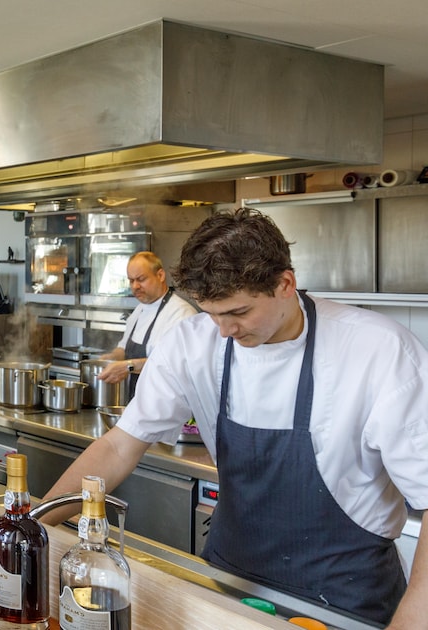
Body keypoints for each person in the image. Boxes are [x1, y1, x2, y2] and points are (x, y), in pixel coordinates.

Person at [43, 208, 427, 626]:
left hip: (344, 598)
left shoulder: (379, 350)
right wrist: (34, 526)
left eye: (239, 313)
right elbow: (119, 446)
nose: (225, 330)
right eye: (212, 313)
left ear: (285, 284)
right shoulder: (192, 344)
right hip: (229, 585)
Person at [96, 251, 196, 397]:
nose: (135, 286)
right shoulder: (139, 309)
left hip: (165, 402)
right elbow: (124, 348)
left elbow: (174, 366)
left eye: (141, 279)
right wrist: (110, 359)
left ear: (160, 275)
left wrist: (128, 366)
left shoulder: (182, 314)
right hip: (136, 399)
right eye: (131, 280)